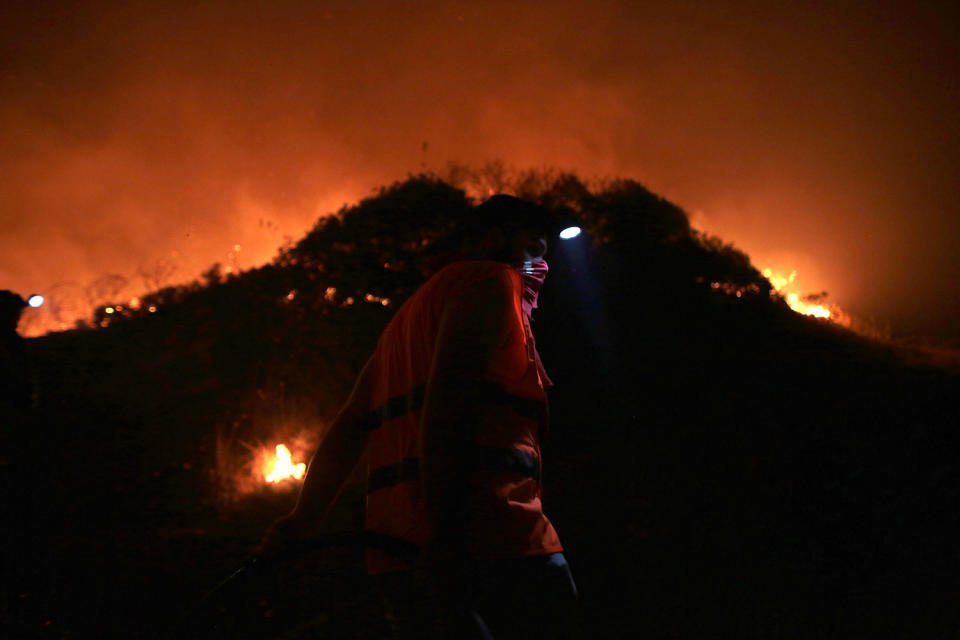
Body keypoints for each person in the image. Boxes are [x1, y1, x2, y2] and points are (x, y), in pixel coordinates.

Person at [261, 195, 577, 639]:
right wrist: (446, 531)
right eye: (534, 248)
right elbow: (451, 397)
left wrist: (301, 520)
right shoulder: (491, 280)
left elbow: (352, 424)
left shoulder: (406, 318)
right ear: (494, 239)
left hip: (398, 554)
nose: (540, 264)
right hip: (491, 537)